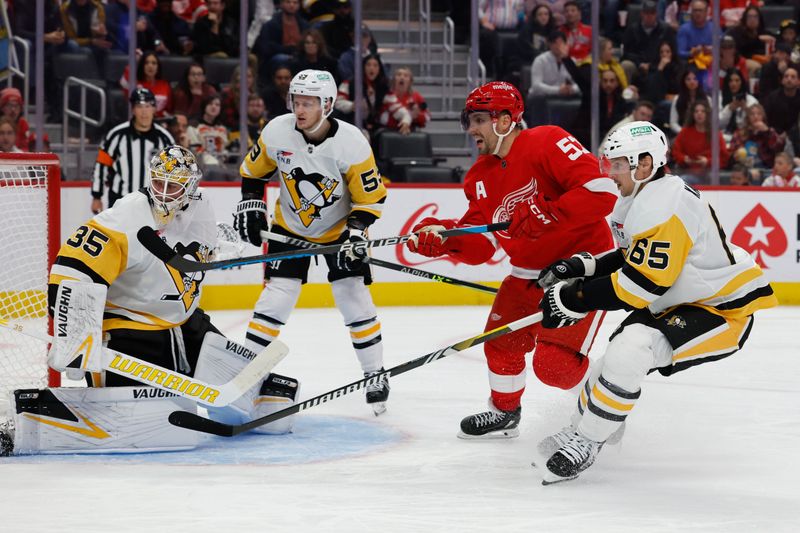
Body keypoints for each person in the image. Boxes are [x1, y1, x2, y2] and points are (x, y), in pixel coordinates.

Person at [0, 145, 299, 456]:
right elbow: (71, 270)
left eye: (174, 187)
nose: (165, 194)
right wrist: (75, 339)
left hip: (187, 327)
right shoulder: (125, 217)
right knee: (138, 421)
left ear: (192, 187)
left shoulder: (202, 207)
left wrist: (220, 245)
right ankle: (21, 428)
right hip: (129, 334)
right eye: (159, 183)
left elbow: (197, 252)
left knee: (267, 407)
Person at [532, 121, 777, 484]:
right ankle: (588, 427)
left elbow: (637, 286)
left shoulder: (666, 204)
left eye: (617, 164)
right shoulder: (642, 197)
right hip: (679, 300)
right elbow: (631, 256)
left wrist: (573, 297)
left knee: (630, 350)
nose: (610, 173)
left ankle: (588, 440)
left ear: (644, 164)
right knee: (609, 363)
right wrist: (582, 266)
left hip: (721, 310)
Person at [405, 81, 617, 439]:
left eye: (478, 120)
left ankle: (606, 405)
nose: (471, 129)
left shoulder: (547, 140)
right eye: (468, 120)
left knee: (554, 366)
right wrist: (443, 239)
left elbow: (603, 192)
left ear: (505, 119)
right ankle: (505, 413)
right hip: (528, 274)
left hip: (581, 268)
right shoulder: (479, 176)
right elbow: (482, 244)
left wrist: (550, 212)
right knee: (502, 343)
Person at [234, 69, 391, 415]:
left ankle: (375, 373)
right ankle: (248, 375)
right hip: (289, 228)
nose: (300, 109)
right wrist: (252, 203)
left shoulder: (352, 143)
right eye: (296, 101)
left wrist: (356, 231)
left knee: (353, 297)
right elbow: (253, 172)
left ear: (328, 104)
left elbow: (370, 199)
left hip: (339, 232)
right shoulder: (277, 131)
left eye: (309, 103)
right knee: (276, 298)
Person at [91, 88, 174, 214]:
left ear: (154, 109)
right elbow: (101, 165)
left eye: (148, 106)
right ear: (133, 109)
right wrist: (97, 196)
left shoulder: (165, 139)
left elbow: (173, 173)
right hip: (120, 200)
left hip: (153, 203)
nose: (144, 111)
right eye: (140, 106)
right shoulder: (116, 135)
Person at [620, 0, 676, 89]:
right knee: (626, 65)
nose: (649, 16)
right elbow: (626, 53)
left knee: (669, 64)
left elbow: (672, 53)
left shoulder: (665, 30)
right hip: (638, 65)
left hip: (658, 64)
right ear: (642, 14)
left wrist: (652, 66)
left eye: (652, 13)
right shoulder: (632, 29)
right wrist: (640, 63)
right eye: (646, 13)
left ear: (656, 14)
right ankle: (626, 95)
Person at [671, 100, 729, 183]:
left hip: (710, 173)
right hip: (689, 172)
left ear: (707, 114)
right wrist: (685, 159)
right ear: (693, 114)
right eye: (696, 111)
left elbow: (724, 158)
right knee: (683, 180)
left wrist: (707, 161)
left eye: (702, 111)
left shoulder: (716, 134)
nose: (699, 113)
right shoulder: (685, 132)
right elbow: (676, 151)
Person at [335, 54, 389, 135]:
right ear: (363, 67)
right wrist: (352, 105)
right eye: (368, 65)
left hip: (375, 126)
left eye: (375, 65)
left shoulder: (383, 86)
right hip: (352, 123)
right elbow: (338, 102)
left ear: (379, 69)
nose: (372, 68)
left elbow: (387, 107)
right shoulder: (350, 83)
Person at [728, 103, 785, 170]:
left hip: (766, 168)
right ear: (748, 117)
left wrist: (767, 132)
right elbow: (731, 153)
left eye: (759, 114)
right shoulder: (740, 133)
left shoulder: (769, 131)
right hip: (744, 168)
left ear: (763, 117)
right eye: (752, 114)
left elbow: (779, 148)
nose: (756, 116)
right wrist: (734, 156)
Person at [120, 51, 174, 118]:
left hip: (160, 122)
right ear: (142, 66)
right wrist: (134, 62)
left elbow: (169, 109)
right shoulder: (135, 84)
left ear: (158, 67)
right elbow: (124, 81)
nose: (150, 66)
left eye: (154, 63)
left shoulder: (165, 85)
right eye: (146, 63)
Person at [379, 67, 431, 135]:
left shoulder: (416, 96)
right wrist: (410, 116)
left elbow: (427, 116)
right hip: (389, 132)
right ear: (394, 80)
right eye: (399, 75)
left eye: (406, 76)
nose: (402, 77)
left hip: (410, 133)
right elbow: (384, 119)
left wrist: (417, 116)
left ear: (410, 81)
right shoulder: (388, 96)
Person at [677, 0, 712, 87]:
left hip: (712, 63)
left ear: (706, 12)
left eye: (700, 10)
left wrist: (712, 49)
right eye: (695, 10)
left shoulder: (714, 27)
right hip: (692, 65)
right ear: (691, 12)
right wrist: (691, 53)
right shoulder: (684, 29)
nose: (698, 13)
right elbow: (680, 52)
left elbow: (722, 46)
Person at [669, 68, 711, 135]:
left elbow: (711, 121)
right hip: (683, 133)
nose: (692, 82)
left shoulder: (707, 99)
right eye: (688, 79)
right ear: (684, 81)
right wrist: (684, 132)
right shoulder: (677, 99)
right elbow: (673, 123)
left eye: (695, 79)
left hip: (703, 133)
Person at [719, 68, 758, 135]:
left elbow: (755, 123)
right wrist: (729, 108)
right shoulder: (719, 98)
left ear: (742, 82)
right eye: (730, 81)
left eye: (737, 81)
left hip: (744, 135)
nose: (734, 84)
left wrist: (745, 109)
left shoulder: (751, 101)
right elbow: (716, 124)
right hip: (723, 135)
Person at [764, 67, 800, 134]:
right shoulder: (772, 98)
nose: (789, 79)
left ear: (798, 81)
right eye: (786, 76)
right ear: (782, 81)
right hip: (775, 134)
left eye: (793, 77)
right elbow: (766, 119)